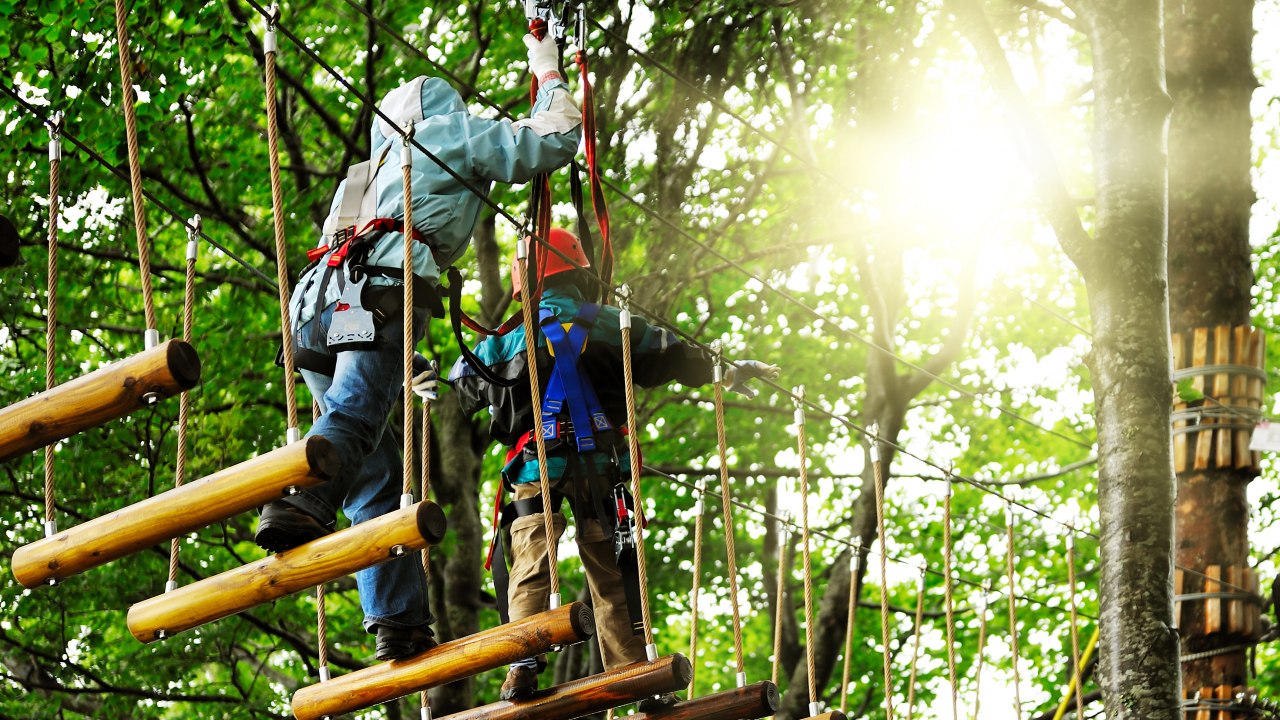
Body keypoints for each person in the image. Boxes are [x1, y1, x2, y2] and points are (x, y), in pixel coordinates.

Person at [253, 34, 582, 662]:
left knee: (374, 470)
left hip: (313, 311)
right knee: (356, 415)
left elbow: (351, 273)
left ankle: (397, 619)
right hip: (380, 290)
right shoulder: (444, 135)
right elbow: (554, 138)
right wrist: (546, 68)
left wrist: (405, 359)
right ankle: (301, 497)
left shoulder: (362, 176)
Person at [449, 228, 778, 707]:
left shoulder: (505, 341)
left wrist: (422, 375)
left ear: (525, 285)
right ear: (582, 276)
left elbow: (463, 381)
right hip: (601, 467)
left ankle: (522, 663)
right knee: (613, 571)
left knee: (531, 557)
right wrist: (726, 370)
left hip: (536, 466)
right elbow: (675, 355)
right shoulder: (616, 325)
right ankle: (632, 673)